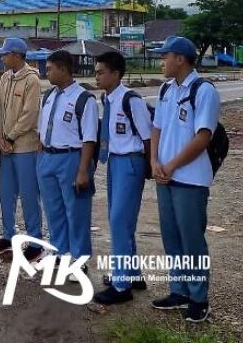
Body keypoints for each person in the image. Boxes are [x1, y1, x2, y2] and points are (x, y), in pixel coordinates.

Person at [149, 36, 220, 323]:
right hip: (165, 176)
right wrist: (154, 161)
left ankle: (199, 297)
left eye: (165, 56)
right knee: (171, 237)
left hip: (190, 178)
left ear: (180, 58)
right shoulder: (167, 89)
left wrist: (172, 165)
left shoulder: (203, 91)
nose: (161, 61)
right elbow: (157, 128)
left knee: (192, 239)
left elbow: (203, 136)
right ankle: (179, 290)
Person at [92, 52, 151, 305]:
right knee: (121, 222)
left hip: (130, 161)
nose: (96, 76)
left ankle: (121, 286)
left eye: (100, 72)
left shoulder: (130, 100)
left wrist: (149, 168)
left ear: (116, 74)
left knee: (119, 222)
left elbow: (148, 137)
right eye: (95, 72)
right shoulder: (108, 99)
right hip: (115, 161)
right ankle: (131, 273)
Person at [37, 50, 98, 279]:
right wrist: (41, 157)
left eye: (50, 68)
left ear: (63, 69)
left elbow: (89, 138)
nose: (47, 72)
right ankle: (60, 252)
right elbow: (42, 129)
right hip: (48, 158)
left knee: (77, 211)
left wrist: (83, 170)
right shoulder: (48, 96)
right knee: (54, 210)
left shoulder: (84, 98)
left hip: (72, 158)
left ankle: (79, 260)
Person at [0, 38, 43, 262]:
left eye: (5, 54)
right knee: (6, 194)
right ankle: (9, 235)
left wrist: (10, 136)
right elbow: (0, 110)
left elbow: (30, 115)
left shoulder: (32, 80)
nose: (1, 58)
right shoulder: (5, 77)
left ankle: (35, 240)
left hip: (24, 146)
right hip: (6, 146)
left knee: (29, 195)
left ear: (17, 55)